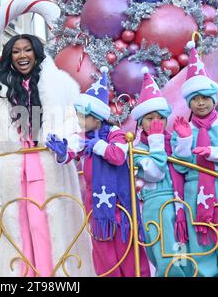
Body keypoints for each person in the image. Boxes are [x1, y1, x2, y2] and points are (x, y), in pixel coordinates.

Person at [0, 34, 94, 277]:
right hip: (9, 173)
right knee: (15, 230)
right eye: (16, 51)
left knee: (45, 227)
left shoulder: (59, 85)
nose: (22, 56)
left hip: (47, 168)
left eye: (27, 50)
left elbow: (74, 123)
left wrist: (63, 144)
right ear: (10, 57)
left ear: (36, 53)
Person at [46, 67, 150, 277]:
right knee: (104, 255)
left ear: (97, 117)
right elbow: (70, 154)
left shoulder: (115, 134)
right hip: (97, 208)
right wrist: (61, 152)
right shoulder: (81, 136)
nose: (80, 121)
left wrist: (98, 145)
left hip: (121, 207)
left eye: (83, 116)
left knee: (127, 252)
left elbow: (118, 156)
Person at [131, 67, 191, 277]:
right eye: (149, 118)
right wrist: (156, 141)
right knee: (165, 254)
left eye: (160, 117)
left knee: (183, 252)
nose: (155, 123)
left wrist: (184, 143)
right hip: (156, 206)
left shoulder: (171, 141)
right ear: (140, 123)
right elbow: (155, 173)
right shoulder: (137, 149)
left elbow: (183, 167)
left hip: (180, 202)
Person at [171, 40, 218, 277]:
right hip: (194, 194)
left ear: (214, 98)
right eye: (195, 98)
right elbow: (179, 169)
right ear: (188, 102)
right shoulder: (184, 129)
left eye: (204, 97)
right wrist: (183, 142)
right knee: (201, 246)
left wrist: (214, 153)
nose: (200, 102)